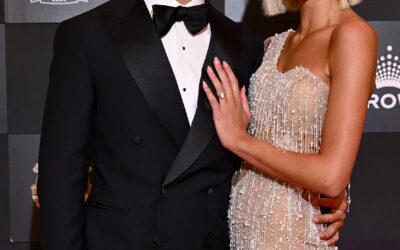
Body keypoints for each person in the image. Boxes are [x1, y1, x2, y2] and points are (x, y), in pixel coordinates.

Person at [37, 0, 348, 249]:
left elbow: (272, 141)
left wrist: (327, 195)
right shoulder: (86, 35)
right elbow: (60, 175)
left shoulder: (248, 44)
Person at [202, 0, 378, 248]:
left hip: (293, 235)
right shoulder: (273, 44)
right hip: (241, 233)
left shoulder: (353, 36)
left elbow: (331, 176)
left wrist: (239, 140)